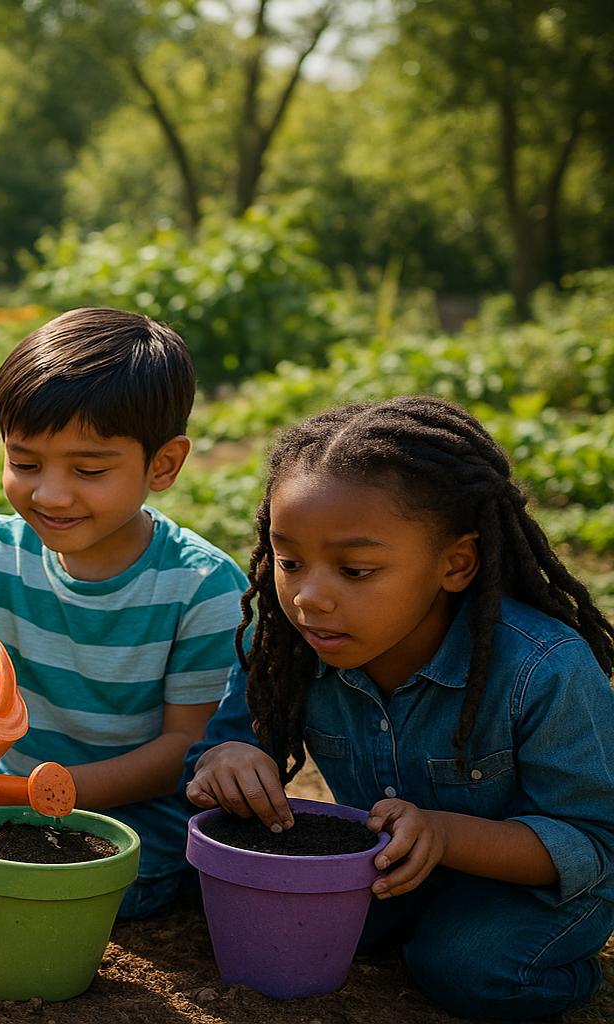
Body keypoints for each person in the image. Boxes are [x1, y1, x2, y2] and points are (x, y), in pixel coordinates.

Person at [186, 396, 614, 1019]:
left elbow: (593, 841)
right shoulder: (286, 645)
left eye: (355, 570)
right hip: (390, 866)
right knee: (256, 913)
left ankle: (561, 971)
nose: (308, 597)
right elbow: (225, 749)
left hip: (537, 887)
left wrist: (442, 834)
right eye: (289, 561)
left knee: (466, 967)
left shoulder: (541, 669)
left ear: (455, 563)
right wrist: (226, 760)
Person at [0, 307, 246, 917]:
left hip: (135, 808)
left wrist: (65, 794)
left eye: (89, 470)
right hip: (5, 794)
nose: (49, 493)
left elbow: (185, 746)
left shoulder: (200, 587)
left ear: (164, 464)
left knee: (98, 884)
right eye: (25, 463)